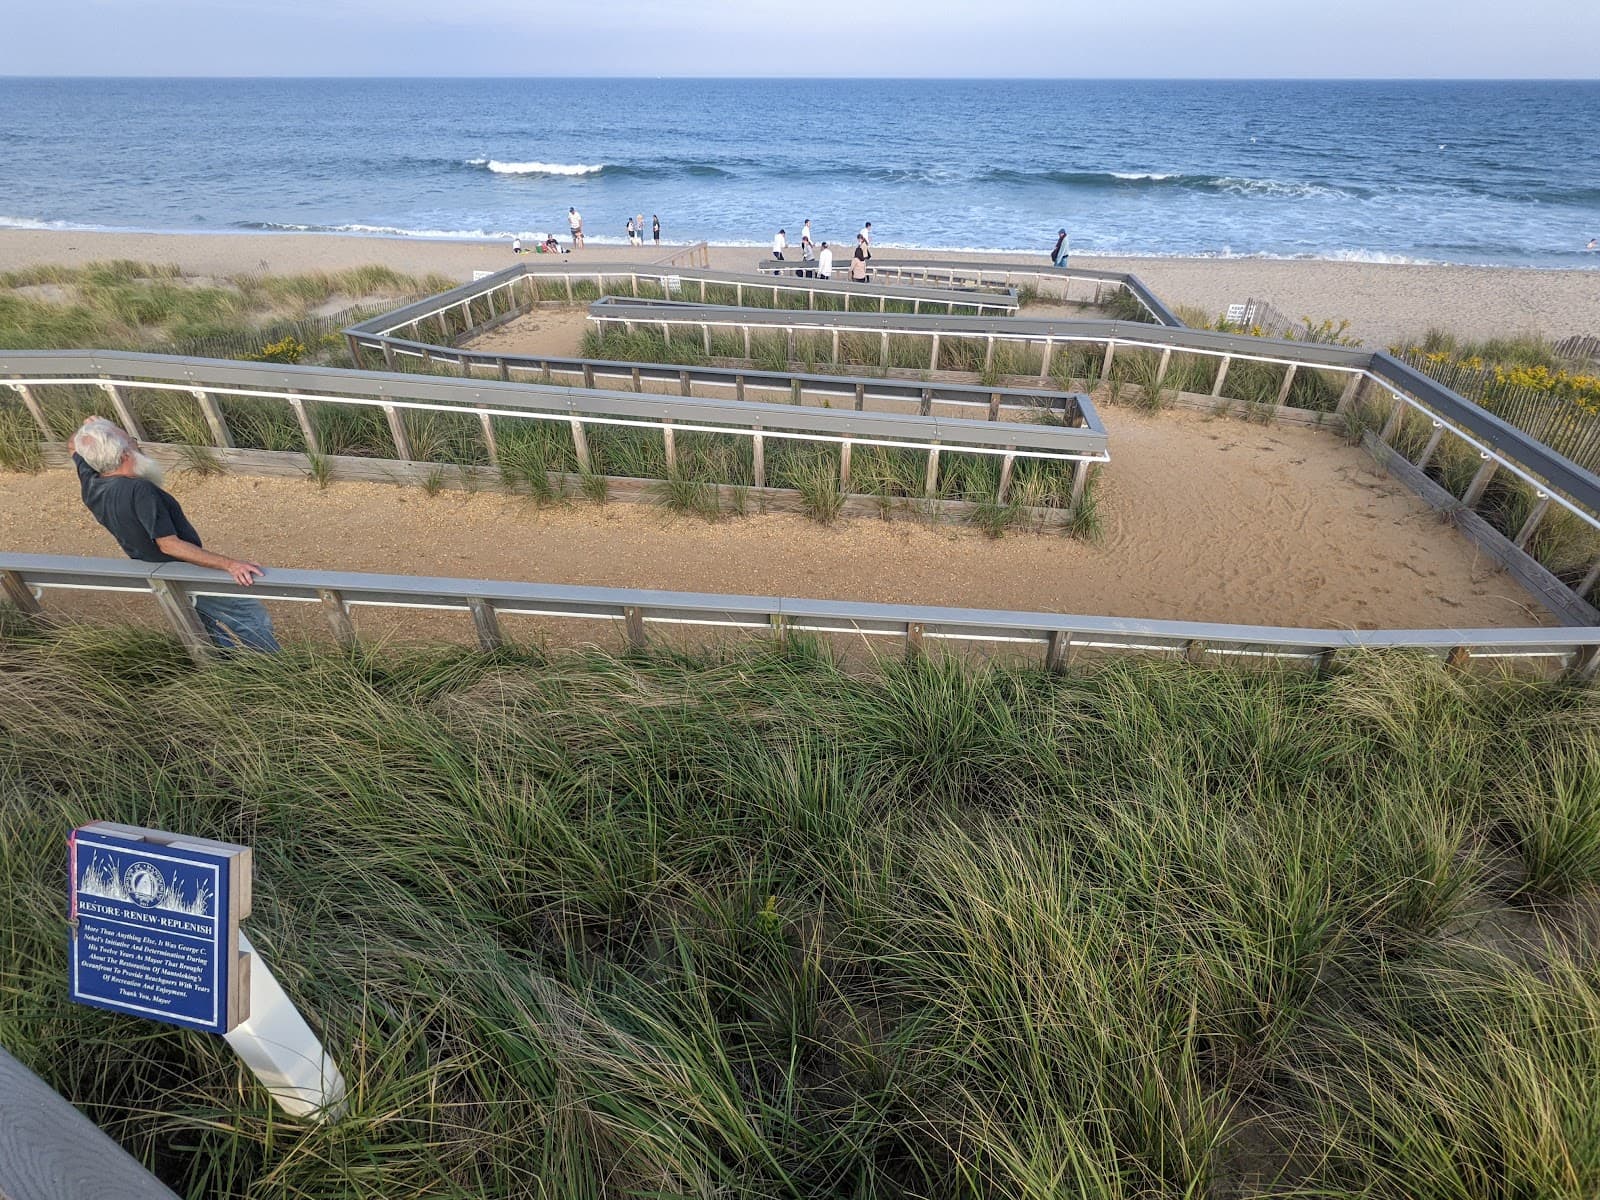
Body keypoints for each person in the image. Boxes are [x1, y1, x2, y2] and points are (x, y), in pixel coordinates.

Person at [68, 416, 280, 652]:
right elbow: (168, 544)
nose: (137, 446)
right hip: (182, 570)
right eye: (133, 442)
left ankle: (221, 664)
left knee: (202, 622)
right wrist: (230, 565)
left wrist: (87, 428)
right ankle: (272, 666)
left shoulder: (91, 482)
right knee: (248, 616)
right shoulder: (140, 490)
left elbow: (73, 447)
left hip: (153, 570)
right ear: (125, 454)